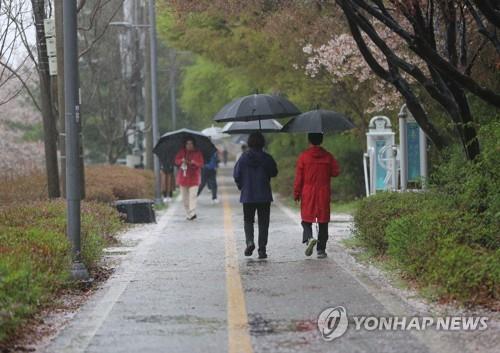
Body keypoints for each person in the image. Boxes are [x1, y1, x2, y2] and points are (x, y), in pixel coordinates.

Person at [293, 133, 340, 259]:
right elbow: (336, 172)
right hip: (323, 191)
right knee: (323, 221)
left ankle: (309, 238)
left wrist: (296, 193)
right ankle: (321, 250)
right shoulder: (328, 156)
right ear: (321, 140)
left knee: (306, 220)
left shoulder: (304, 156)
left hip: (308, 191)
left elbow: (299, 178)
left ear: (309, 140)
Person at [234, 132, 278, 259]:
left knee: (248, 220)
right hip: (264, 195)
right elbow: (274, 172)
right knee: (263, 222)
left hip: (248, 195)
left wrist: (241, 186)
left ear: (249, 143)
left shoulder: (243, 158)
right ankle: (262, 250)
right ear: (262, 143)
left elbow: (237, 175)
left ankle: (249, 241)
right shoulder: (267, 158)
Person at [174, 136, 204, 220]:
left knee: (193, 196)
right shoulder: (181, 152)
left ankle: (192, 212)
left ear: (194, 144)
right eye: (187, 143)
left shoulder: (198, 153)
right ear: (185, 144)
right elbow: (176, 161)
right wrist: (181, 160)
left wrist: (194, 162)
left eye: (191, 143)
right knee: (185, 199)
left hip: (194, 178)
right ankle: (188, 213)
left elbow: (201, 164)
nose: (189, 145)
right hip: (183, 178)